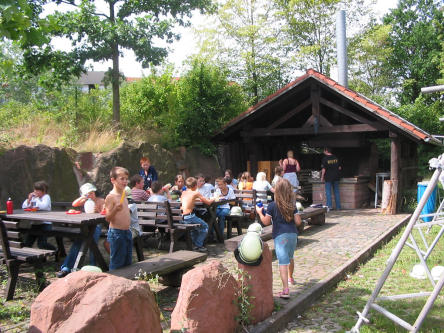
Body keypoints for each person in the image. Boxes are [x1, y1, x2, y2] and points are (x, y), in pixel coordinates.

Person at [256, 179, 302, 299]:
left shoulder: (272, 206)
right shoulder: (292, 205)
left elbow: (266, 222)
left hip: (280, 236)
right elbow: (298, 221)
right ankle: (291, 277)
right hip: (293, 235)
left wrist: (260, 213)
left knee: (282, 262)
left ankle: (285, 290)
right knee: (290, 257)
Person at [56, 183, 105, 278]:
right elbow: (74, 204)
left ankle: (93, 266)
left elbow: (105, 213)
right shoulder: (85, 201)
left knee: (91, 242)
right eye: (88, 193)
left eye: (92, 192)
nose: (91, 195)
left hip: (96, 226)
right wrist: (84, 197)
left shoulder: (101, 200)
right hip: (85, 226)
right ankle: (66, 268)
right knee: (78, 243)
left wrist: (98, 210)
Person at [105, 166, 132, 270]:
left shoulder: (124, 195)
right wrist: (115, 209)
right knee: (117, 263)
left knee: (128, 262)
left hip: (127, 232)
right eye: (122, 179)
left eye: (126, 179)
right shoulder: (110, 197)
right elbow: (108, 218)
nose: (125, 181)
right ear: (113, 180)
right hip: (116, 233)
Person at [180, 177, 214, 252]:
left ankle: (195, 244)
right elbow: (208, 202)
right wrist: (214, 198)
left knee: (194, 229)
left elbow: (189, 200)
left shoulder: (183, 192)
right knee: (205, 226)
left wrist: (197, 199)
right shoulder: (196, 193)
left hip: (182, 217)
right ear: (195, 186)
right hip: (189, 217)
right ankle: (198, 245)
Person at [22, 181, 56, 250]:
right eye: (35, 190)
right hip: (35, 223)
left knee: (41, 244)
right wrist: (29, 199)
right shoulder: (34, 198)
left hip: (45, 223)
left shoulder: (46, 197)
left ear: (44, 191)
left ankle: (55, 250)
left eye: (38, 190)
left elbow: (43, 206)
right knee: (27, 243)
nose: (36, 192)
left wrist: (36, 199)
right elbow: (24, 206)